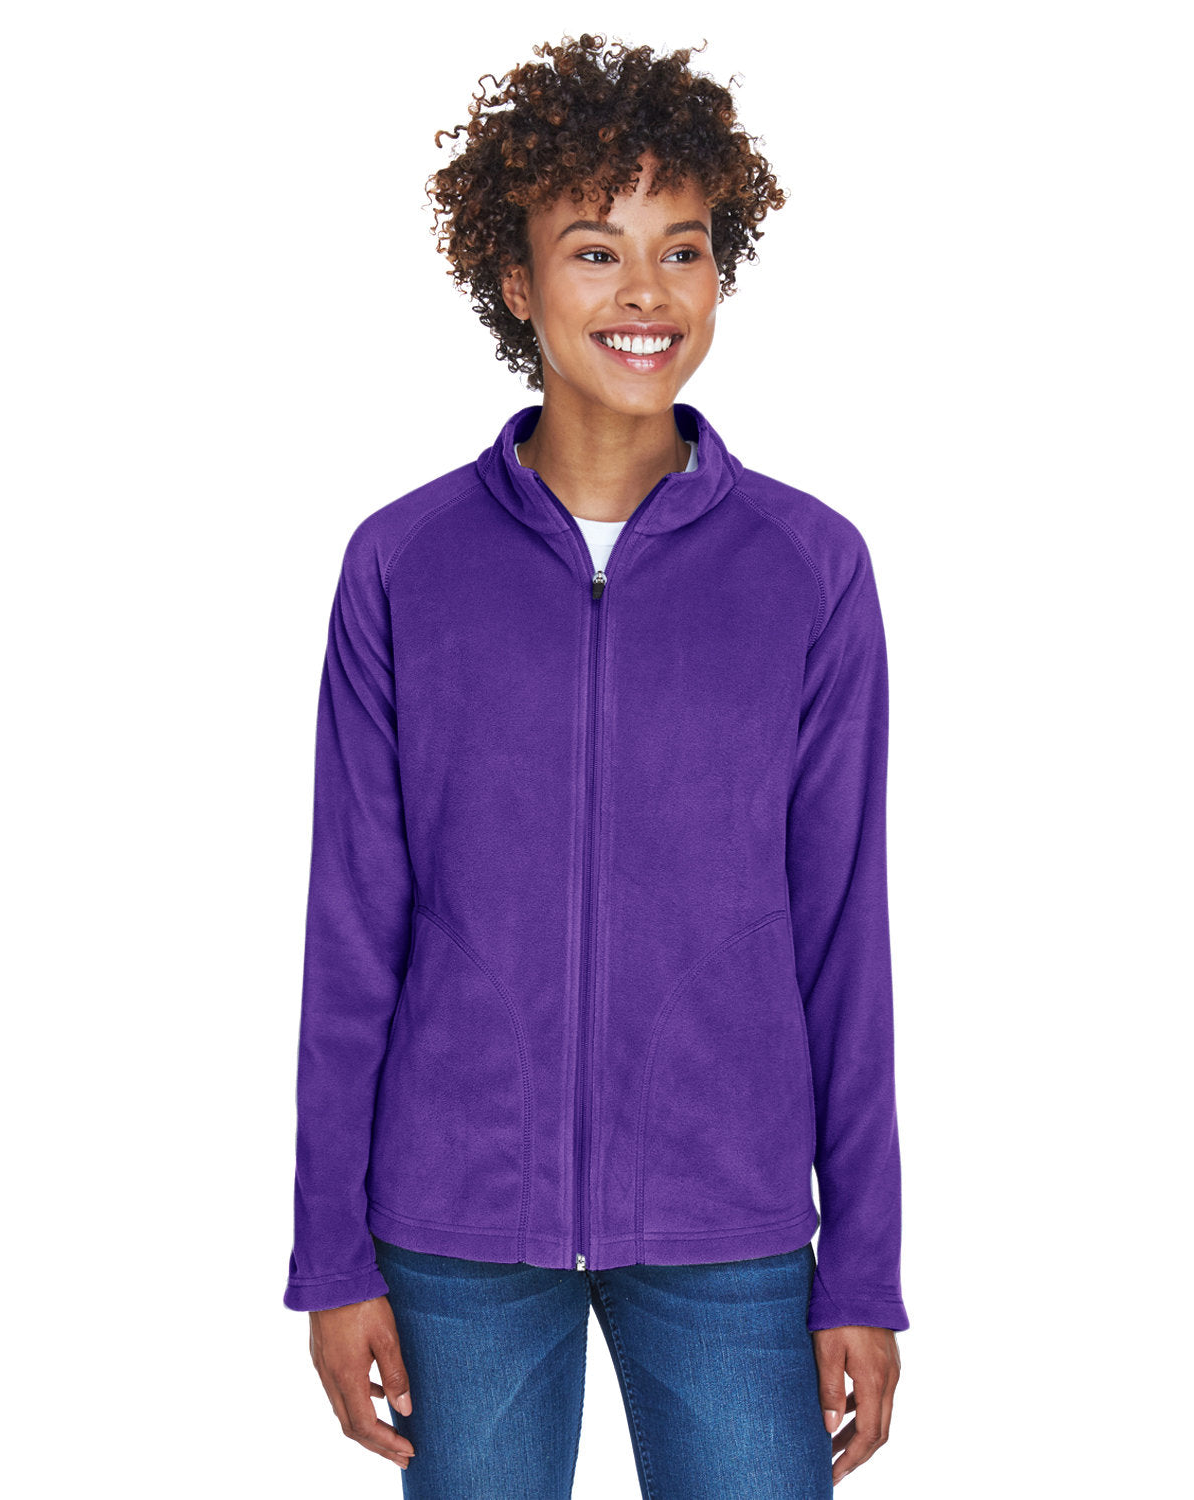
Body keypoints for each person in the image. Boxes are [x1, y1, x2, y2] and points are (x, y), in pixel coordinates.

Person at [283, 33, 908, 1497]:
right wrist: (329, 1253)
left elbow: (844, 933)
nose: (645, 294)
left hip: (732, 1224)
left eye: (681, 251)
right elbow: (352, 930)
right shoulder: (404, 565)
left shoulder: (809, 569)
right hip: (454, 1227)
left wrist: (864, 1268)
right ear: (516, 283)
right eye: (594, 251)